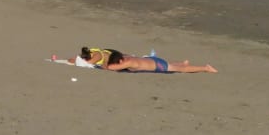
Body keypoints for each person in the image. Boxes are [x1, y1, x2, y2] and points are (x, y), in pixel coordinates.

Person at [73, 47, 217, 73]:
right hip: (153, 60)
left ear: (120, 61)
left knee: (180, 70)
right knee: (174, 65)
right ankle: (182, 62)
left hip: (158, 65)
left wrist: (101, 66)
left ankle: (205, 68)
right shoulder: (127, 58)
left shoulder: (127, 62)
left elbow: (110, 68)